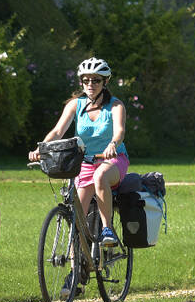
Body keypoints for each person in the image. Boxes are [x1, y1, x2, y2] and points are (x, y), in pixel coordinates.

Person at [29, 57, 129, 249]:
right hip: (84, 162)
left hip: (112, 160)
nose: (90, 84)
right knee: (77, 222)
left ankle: (107, 229)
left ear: (105, 82)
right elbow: (58, 131)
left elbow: (120, 131)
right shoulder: (76, 105)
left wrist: (113, 144)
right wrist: (40, 149)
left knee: (100, 176)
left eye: (96, 80)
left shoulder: (116, 106)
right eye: (86, 80)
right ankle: (75, 270)